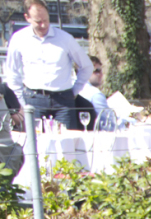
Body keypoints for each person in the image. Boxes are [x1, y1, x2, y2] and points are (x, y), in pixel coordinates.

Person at [3, 0, 92, 130]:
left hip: (63, 101)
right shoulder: (19, 39)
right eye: (38, 21)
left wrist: (74, 91)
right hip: (33, 99)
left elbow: (86, 66)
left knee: (67, 144)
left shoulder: (65, 38)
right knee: (36, 145)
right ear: (27, 18)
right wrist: (21, 101)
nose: (44, 25)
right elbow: (12, 73)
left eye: (46, 19)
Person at [79, 55, 116, 130]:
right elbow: (109, 125)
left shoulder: (70, 91)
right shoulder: (95, 94)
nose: (101, 74)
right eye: (97, 71)